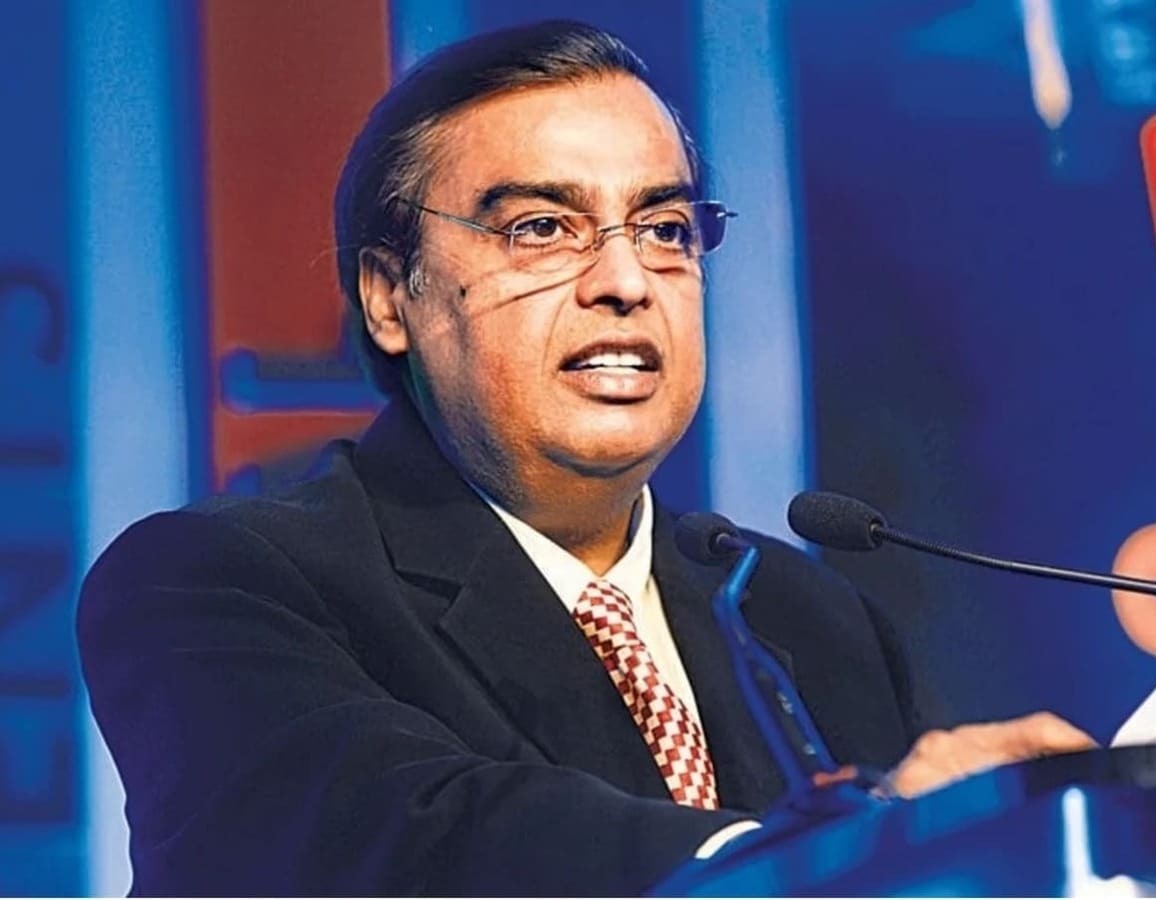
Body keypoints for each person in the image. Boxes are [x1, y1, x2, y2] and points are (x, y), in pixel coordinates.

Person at [77, 20, 1094, 896]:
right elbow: (412, 843)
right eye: (541, 227)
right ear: (391, 296)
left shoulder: (807, 619)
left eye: (664, 228)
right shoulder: (221, 582)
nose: (625, 280)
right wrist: (845, 850)